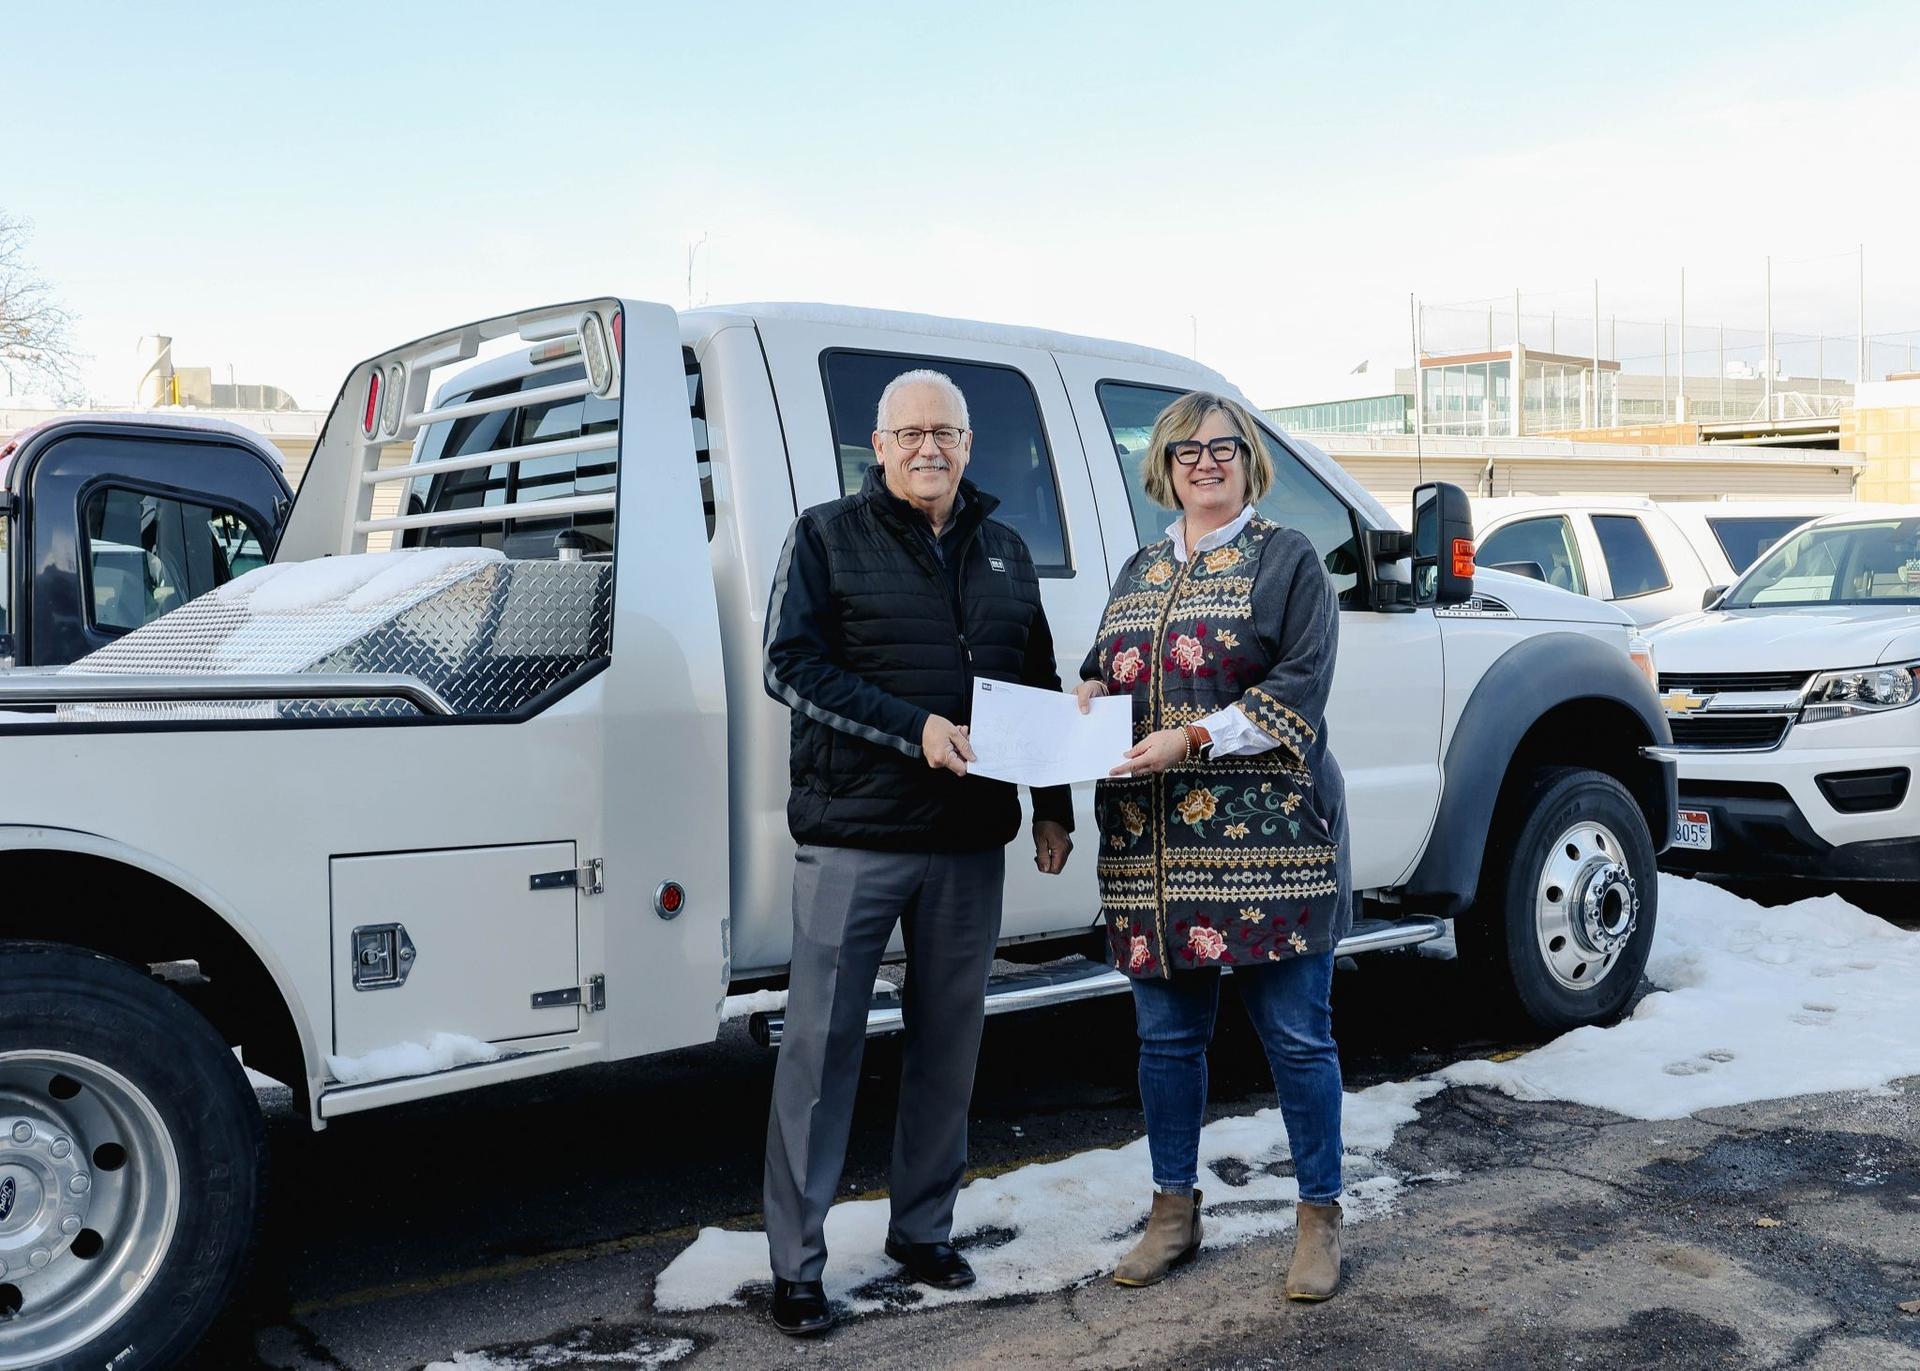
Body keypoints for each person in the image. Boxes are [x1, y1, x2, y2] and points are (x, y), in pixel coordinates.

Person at [760, 368, 1076, 1335]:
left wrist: (1054, 806)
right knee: (821, 1050)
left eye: (946, 431)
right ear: (880, 445)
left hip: (969, 838)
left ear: (969, 444)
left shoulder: (1006, 549)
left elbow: (1037, 679)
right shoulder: (826, 534)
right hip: (855, 836)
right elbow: (789, 666)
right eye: (911, 433)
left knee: (950, 1042)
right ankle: (797, 1266)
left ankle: (923, 1230)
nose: (929, 446)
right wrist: (917, 729)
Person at [1073, 390, 1351, 1302]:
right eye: (1187, 451)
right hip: (1151, 850)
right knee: (1166, 1041)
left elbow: (1298, 687)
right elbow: (1110, 669)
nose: (1205, 463)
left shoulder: (1286, 557)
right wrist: (1086, 694)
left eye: (1223, 447)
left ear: (1249, 460)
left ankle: (1318, 1216)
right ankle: (1172, 1211)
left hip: (1269, 846)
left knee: (1297, 1039)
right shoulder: (1141, 567)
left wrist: (1191, 737)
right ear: (1164, 465)